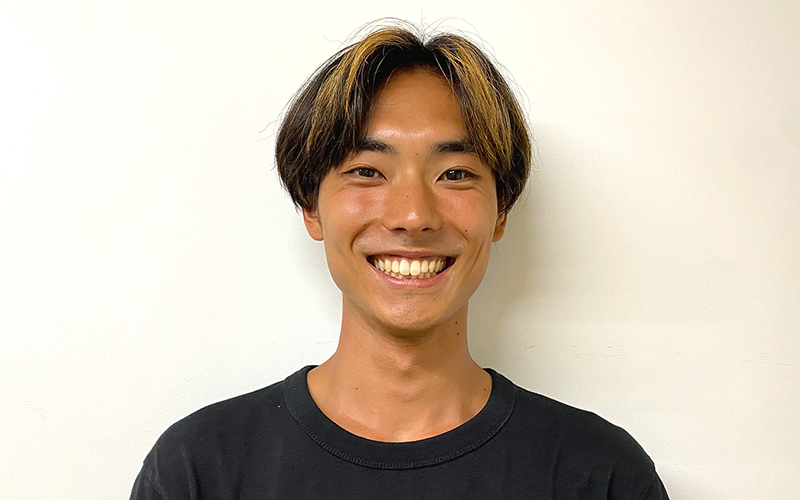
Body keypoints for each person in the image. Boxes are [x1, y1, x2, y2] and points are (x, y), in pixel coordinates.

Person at [131, 22, 669, 499]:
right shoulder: (199, 470)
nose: (413, 216)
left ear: (501, 211)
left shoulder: (599, 475)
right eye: (367, 171)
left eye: (455, 174)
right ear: (311, 207)